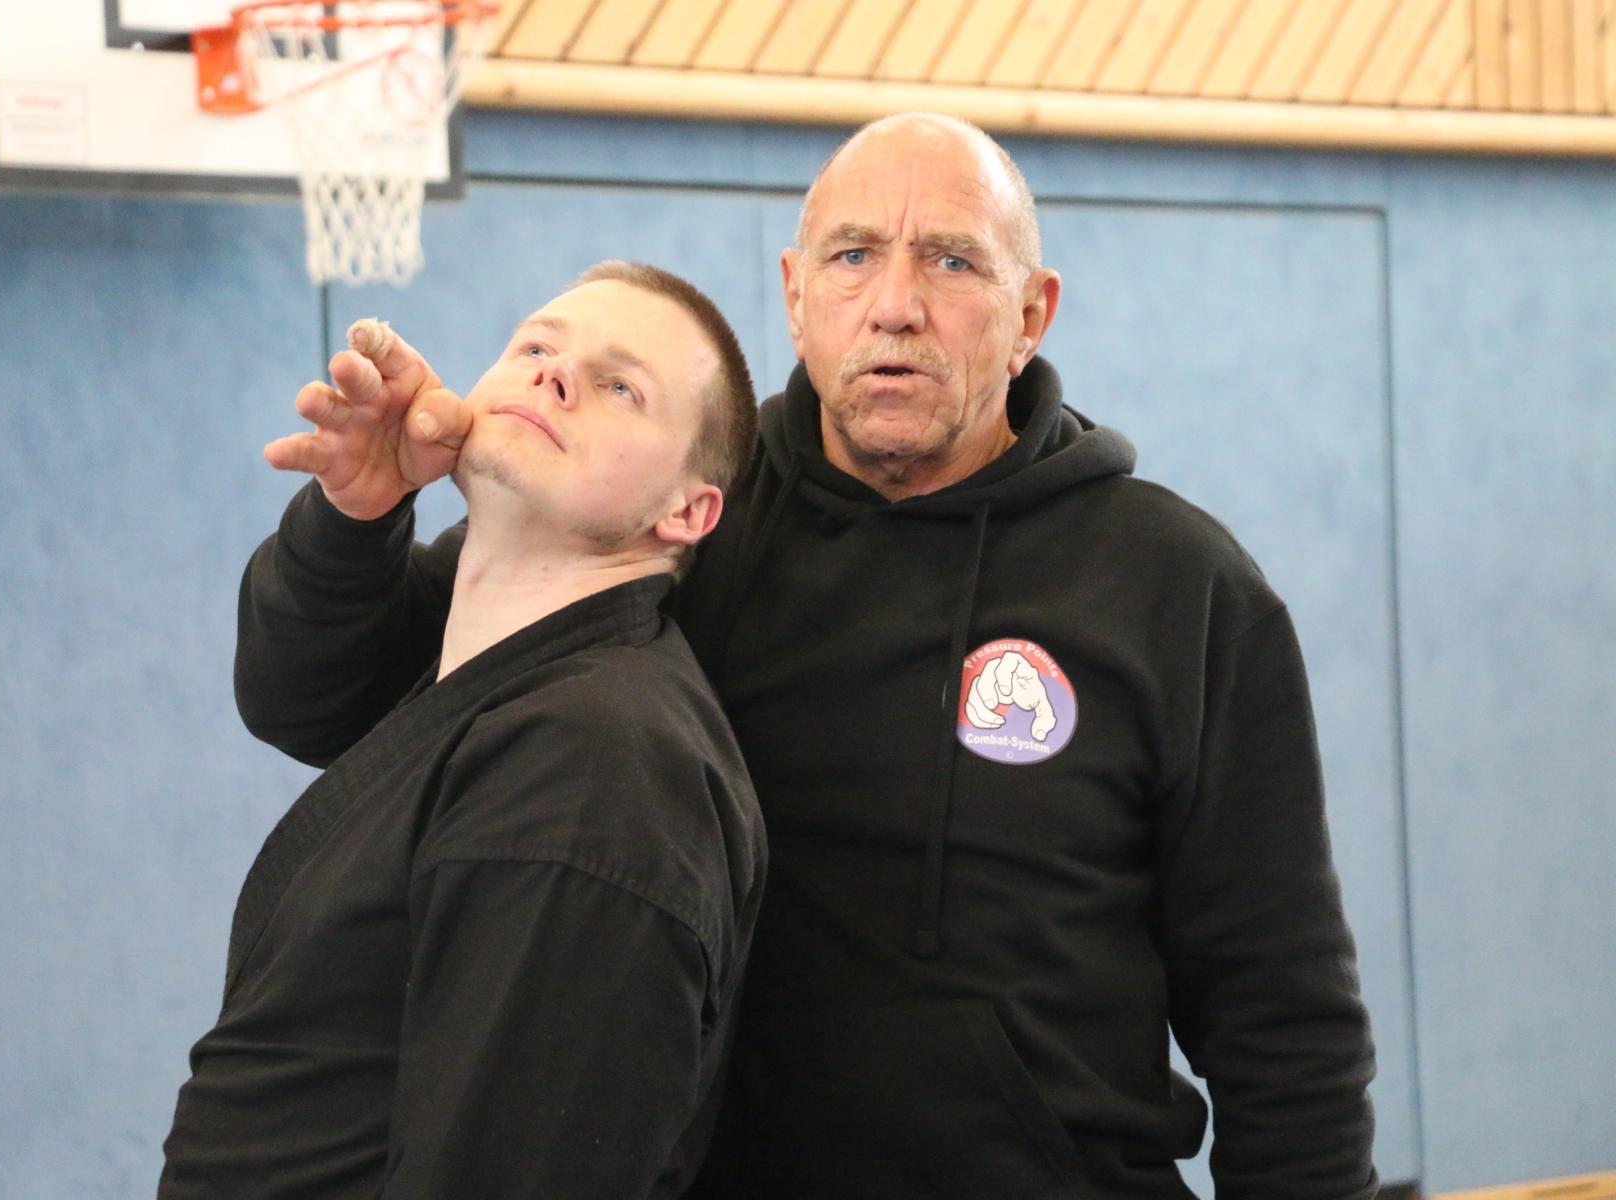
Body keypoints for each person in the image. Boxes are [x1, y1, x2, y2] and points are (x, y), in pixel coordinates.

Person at [232, 114, 1379, 1199]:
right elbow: (314, 703)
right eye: (853, 257)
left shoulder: (1179, 588)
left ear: (1033, 313)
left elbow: (1283, 1016)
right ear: (793, 294)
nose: (895, 306)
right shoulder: (671, 515)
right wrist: (354, 521)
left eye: (952, 263)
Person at [159, 262, 767, 1199]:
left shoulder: (597, 765)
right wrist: (355, 514)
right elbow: (295, 700)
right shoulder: (495, 667)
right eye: (536, 346)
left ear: (687, 511)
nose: (553, 375)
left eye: (619, 387)